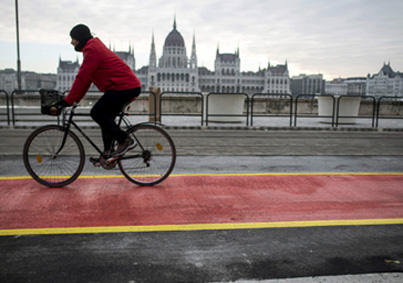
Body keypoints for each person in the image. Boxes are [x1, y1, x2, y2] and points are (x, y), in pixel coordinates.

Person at [56, 24, 142, 162]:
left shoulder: (92, 49)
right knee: (105, 118)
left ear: (80, 38)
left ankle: (125, 140)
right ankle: (108, 154)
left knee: (97, 112)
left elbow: (82, 77)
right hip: (123, 86)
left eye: (73, 38)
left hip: (124, 87)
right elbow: (87, 80)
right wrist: (75, 100)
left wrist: (68, 101)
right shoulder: (92, 47)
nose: (71, 42)